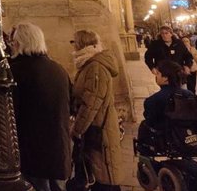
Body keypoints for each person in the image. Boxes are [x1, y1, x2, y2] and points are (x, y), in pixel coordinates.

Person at [9, 22, 71, 191]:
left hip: (33, 151)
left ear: (20, 43)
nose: (12, 46)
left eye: (13, 42)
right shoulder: (58, 69)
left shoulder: (16, 72)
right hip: (58, 148)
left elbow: (10, 113)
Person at [70, 30, 122, 191]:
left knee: (104, 174)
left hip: (99, 129)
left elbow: (91, 104)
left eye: (74, 42)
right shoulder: (89, 64)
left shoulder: (95, 67)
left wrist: (77, 130)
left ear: (81, 44)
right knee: (99, 172)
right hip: (95, 128)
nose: (72, 46)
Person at [143, 60, 194, 128]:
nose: (156, 76)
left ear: (165, 78)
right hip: (185, 135)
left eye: (158, 73)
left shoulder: (152, 101)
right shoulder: (189, 95)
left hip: (163, 136)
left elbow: (150, 123)